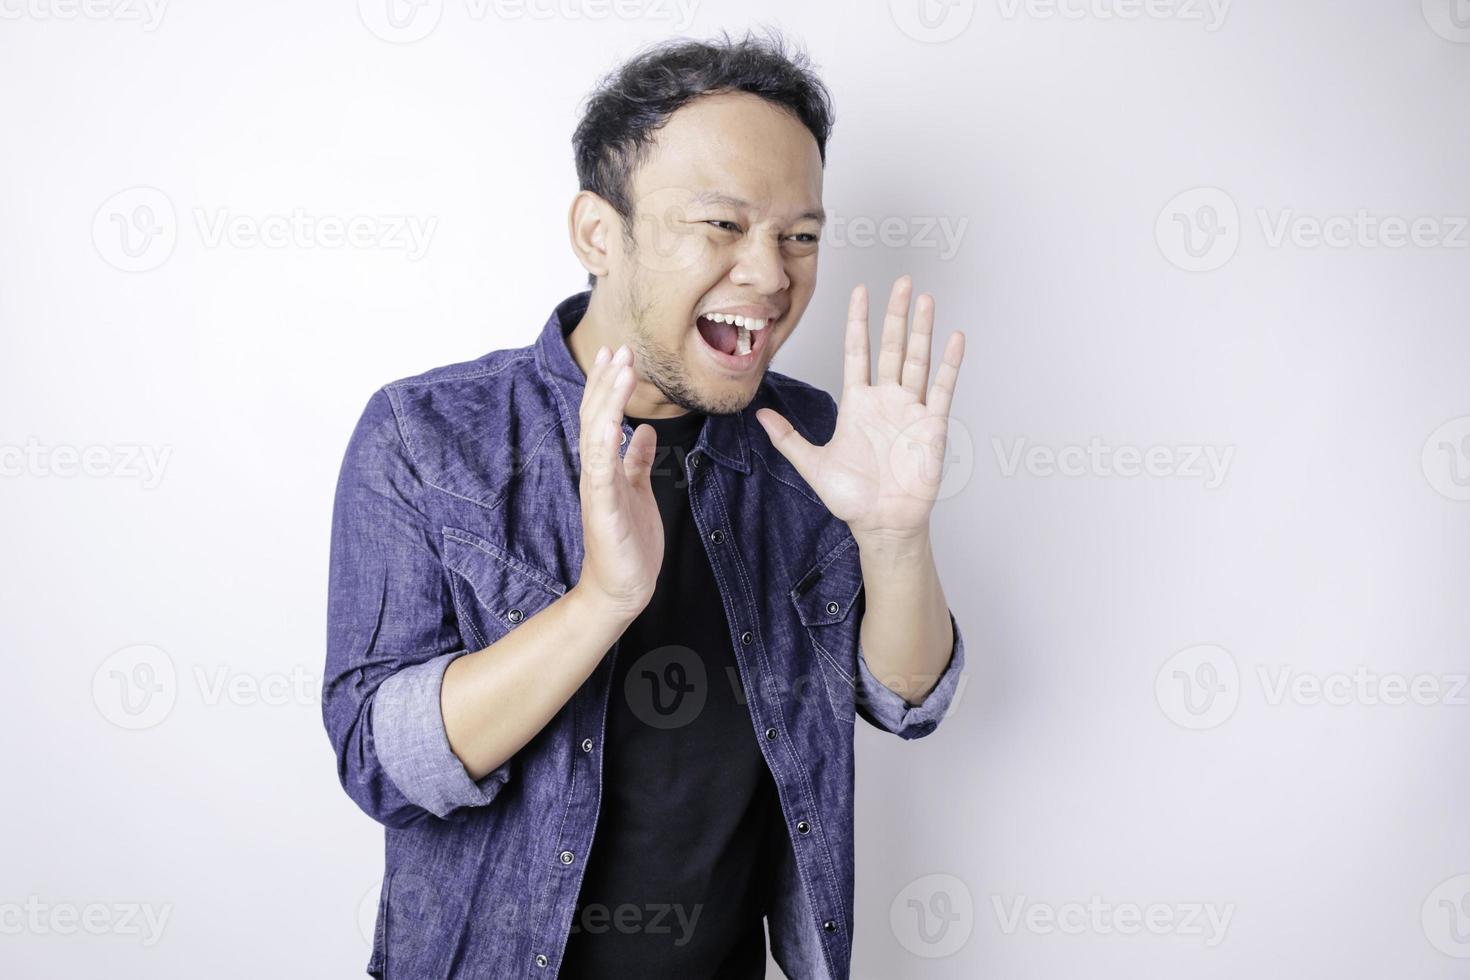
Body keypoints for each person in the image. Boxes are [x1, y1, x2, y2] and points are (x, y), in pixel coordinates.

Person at [322, 28, 968, 980]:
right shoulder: (427, 437)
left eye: (800, 235)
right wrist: (600, 604)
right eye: (722, 225)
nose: (772, 275)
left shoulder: (819, 442)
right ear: (598, 232)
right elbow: (384, 761)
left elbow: (904, 700)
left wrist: (896, 536)